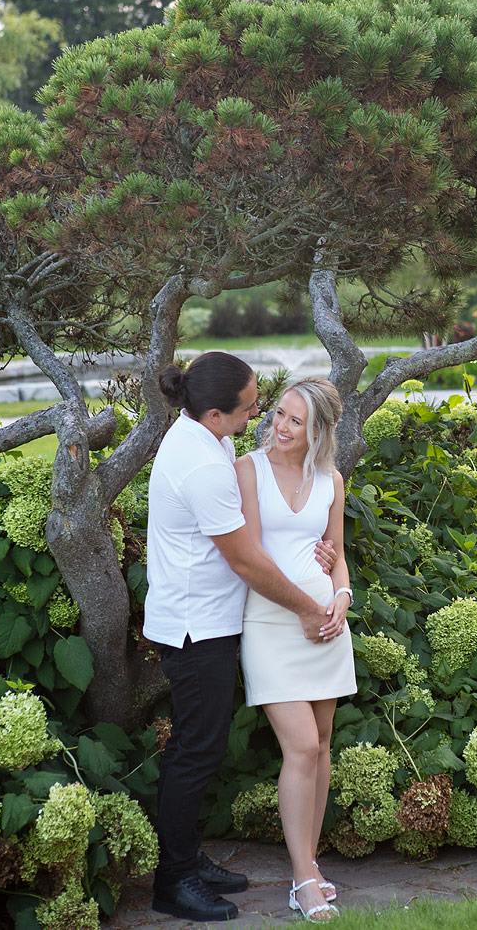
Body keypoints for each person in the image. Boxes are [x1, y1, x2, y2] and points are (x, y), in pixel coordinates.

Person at [144, 351, 340, 923]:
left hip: (213, 621)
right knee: (194, 751)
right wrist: (309, 607)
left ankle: (186, 858)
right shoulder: (203, 465)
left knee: (199, 748)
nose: (260, 414)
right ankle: (173, 880)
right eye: (253, 406)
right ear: (213, 414)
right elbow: (248, 563)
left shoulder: (210, 440)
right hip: (193, 626)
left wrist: (317, 556)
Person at [235, 377, 356, 924]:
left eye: (294, 420)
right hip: (271, 623)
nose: (279, 427)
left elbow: (338, 556)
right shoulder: (247, 470)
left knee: (324, 744)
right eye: (279, 414)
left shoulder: (332, 480)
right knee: (302, 746)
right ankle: (303, 878)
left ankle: (310, 864)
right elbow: (254, 556)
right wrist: (305, 610)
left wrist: (341, 598)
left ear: (320, 431)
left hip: (328, 626)